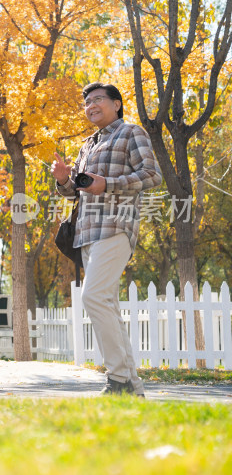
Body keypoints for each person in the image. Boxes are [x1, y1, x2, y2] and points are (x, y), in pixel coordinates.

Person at [52, 82, 161, 397]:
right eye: (87, 103)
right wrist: (63, 180)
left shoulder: (131, 132)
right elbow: (78, 190)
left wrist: (109, 184)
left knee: (93, 297)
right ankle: (129, 385)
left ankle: (119, 380)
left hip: (116, 226)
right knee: (106, 303)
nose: (91, 106)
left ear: (116, 103)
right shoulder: (88, 144)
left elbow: (151, 175)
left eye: (98, 100)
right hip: (87, 233)